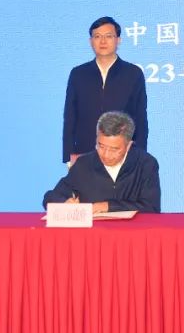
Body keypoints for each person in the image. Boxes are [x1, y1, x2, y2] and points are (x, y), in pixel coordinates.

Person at [62, 16, 148, 165]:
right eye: (97, 36)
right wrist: (69, 157)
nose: (103, 41)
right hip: (84, 154)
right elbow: (70, 117)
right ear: (91, 41)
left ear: (118, 40)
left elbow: (140, 119)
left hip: (122, 155)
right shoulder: (78, 74)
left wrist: (139, 158)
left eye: (108, 36)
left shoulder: (133, 73)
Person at [44, 111, 161, 213]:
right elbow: (51, 197)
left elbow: (151, 207)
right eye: (101, 146)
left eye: (114, 149)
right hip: (94, 231)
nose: (106, 155)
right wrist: (64, 202)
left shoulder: (146, 164)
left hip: (132, 231)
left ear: (129, 145)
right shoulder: (84, 164)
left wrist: (108, 206)